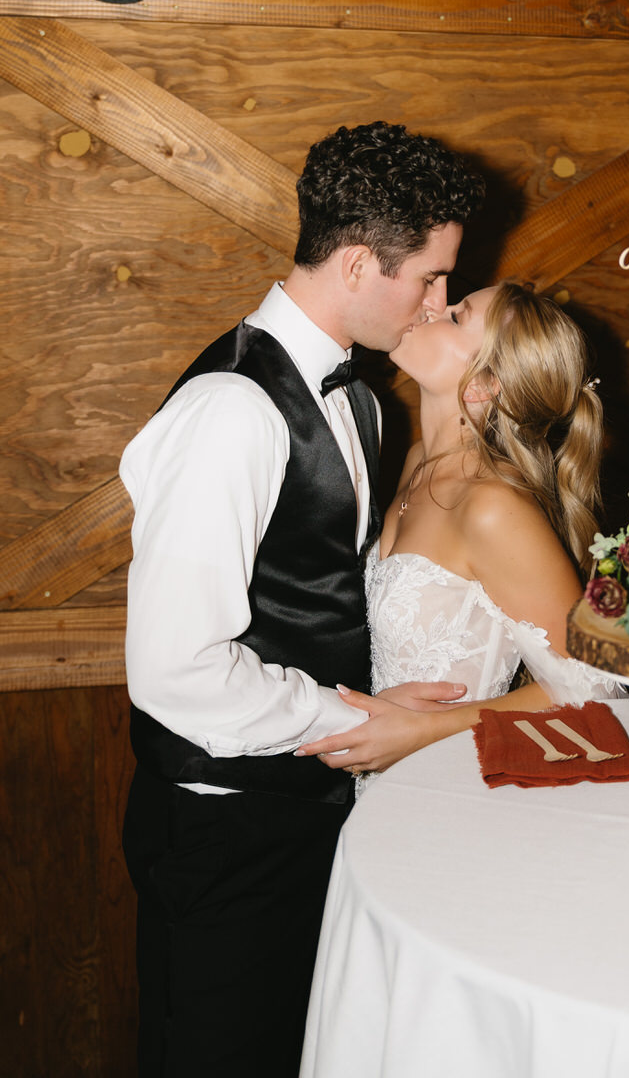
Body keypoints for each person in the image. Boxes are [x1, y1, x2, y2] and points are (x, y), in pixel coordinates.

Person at [119, 121, 485, 1078]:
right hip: (226, 827)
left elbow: (325, 597)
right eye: (431, 278)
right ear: (361, 263)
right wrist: (350, 718)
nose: (438, 301)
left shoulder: (362, 400)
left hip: (314, 807)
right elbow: (175, 668)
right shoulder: (230, 411)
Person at [297, 281, 623, 780]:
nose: (429, 306)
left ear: (482, 384)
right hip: (386, 788)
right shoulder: (415, 461)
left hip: (455, 781)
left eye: (454, 315)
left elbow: (595, 685)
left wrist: (423, 732)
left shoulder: (490, 506)